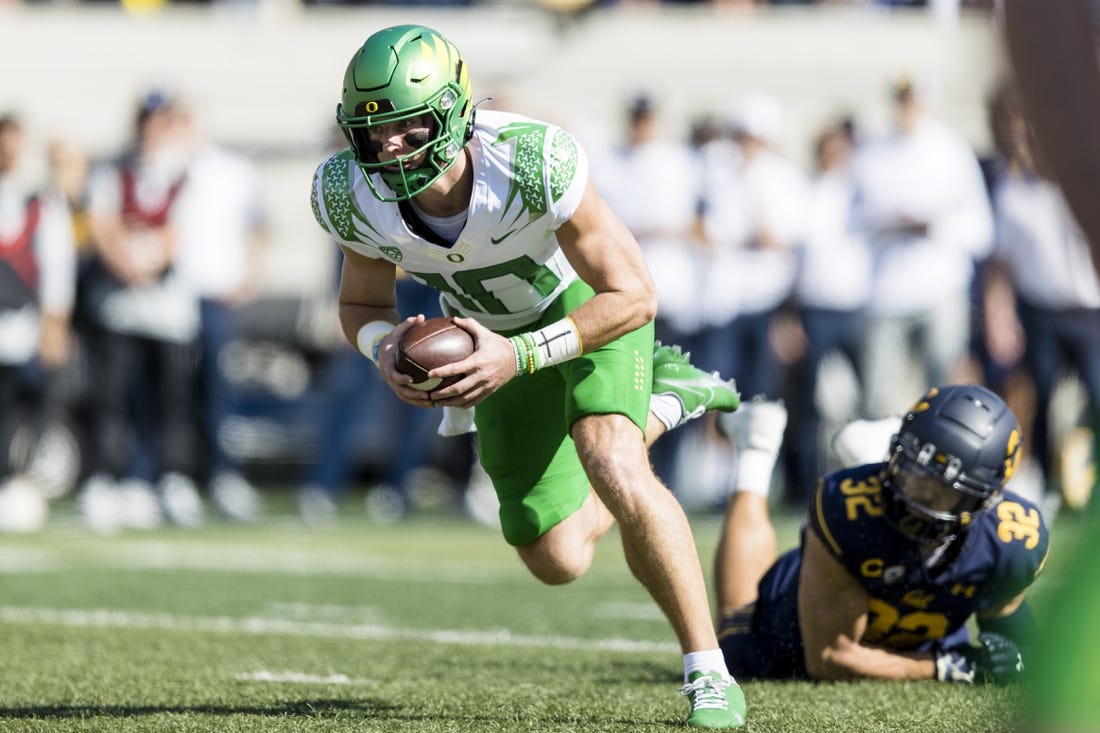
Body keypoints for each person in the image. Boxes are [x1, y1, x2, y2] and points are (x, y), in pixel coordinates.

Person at [310, 25, 745, 728]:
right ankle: (667, 400)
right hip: (491, 340)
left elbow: (634, 293)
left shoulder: (534, 160)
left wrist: (523, 354)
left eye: (406, 125)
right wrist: (385, 347)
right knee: (557, 556)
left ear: (453, 113)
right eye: (373, 132)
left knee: (613, 459)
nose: (389, 149)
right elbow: (361, 303)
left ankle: (708, 672)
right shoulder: (347, 192)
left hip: (585, 315)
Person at [714, 384, 1048, 685]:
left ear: (982, 499)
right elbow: (830, 659)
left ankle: (868, 454)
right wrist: (943, 666)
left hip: (912, 628)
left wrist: (1019, 658)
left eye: (940, 489)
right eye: (912, 469)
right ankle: (756, 444)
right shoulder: (846, 510)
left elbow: (1021, 646)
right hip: (810, 607)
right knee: (733, 638)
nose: (916, 495)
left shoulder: (1012, 538)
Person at [77, 90, 203, 532]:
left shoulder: (184, 174)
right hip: (118, 307)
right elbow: (103, 227)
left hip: (168, 312)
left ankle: (166, 478)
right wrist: (127, 262)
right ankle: (104, 478)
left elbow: (178, 232)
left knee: (170, 401)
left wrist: (147, 257)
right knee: (112, 398)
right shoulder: (112, 170)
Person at [0, 113, 77, 532]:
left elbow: (57, 267)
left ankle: (20, 482)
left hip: (22, 330)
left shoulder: (40, 202)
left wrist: (54, 326)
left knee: (29, 412)